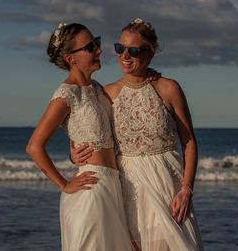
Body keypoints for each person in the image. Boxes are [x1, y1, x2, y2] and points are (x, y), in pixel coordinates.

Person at [71, 18, 204, 251]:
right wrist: (75, 152)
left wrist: (186, 190)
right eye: (120, 48)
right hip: (129, 189)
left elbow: (190, 142)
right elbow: (91, 133)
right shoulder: (107, 93)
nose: (125, 55)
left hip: (167, 188)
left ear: (149, 54)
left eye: (133, 50)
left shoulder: (169, 88)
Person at [26, 22, 133, 251]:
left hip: (113, 186)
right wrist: (64, 184)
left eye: (97, 43)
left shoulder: (96, 88)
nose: (98, 50)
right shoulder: (66, 94)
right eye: (90, 46)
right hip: (90, 190)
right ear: (70, 58)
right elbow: (34, 146)